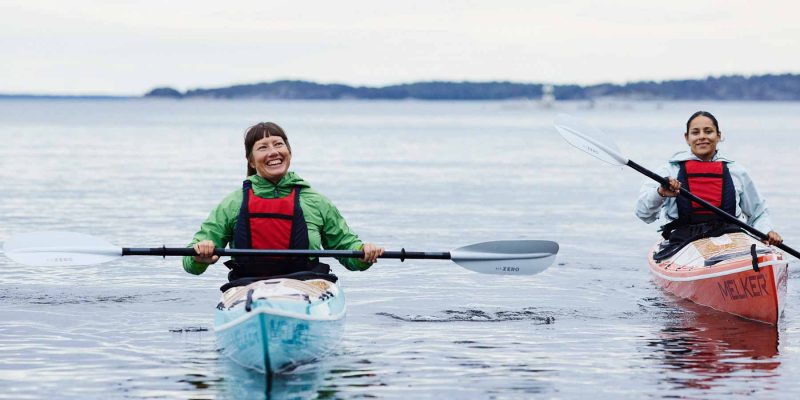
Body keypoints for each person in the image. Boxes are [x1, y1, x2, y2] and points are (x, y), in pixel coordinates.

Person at [183, 122, 384, 285]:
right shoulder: (233, 203)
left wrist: (362, 253)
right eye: (263, 147)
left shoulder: (316, 201)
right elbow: (189, 262)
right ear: (251, 161)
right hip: (248, 288)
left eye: (278, 144)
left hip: (308, 286)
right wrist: (199, 256)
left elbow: (346, 248)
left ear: (289, 151)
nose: (273, 152)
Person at [635, 111, 783, 248]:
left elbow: (758, 212)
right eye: (695, 132)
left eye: (708, 131)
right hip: (684, 243)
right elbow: (643, 213)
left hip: (731, 238)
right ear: (687, 138)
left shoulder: (737, 171)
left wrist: (766, 232)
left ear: (718, 136)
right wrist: (660, 192)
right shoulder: (668, 171)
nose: (702, 137)